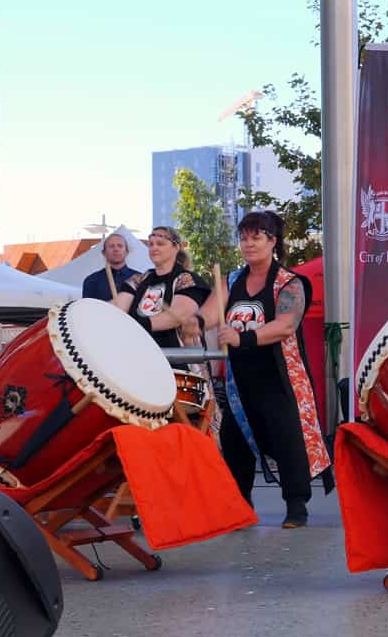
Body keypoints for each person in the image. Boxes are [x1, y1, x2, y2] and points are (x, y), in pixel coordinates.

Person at [200, 211, 332, 528]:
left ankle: (296, 506)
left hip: (280, 375)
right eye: (244, 237)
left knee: (288, 437)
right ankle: (241, 506)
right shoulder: (231, 281)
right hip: (240, 378)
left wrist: (241, 336)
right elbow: (207, 314)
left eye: (256, 237)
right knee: (235, 440)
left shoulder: (291, 284)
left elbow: (285, 326)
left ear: (273, 241)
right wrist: (192, 323)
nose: (248, 244)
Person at [114, 226, 210, 364]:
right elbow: (118, 308)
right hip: (142, 360)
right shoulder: (138, 280)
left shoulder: (186, 279)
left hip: (181, 365)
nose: (154, 248)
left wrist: (137, 325)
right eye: (151, 244)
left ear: (176, 247)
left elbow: (179, 315)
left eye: (160, 244)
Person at [81, 233, 139, 302]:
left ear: (127, 252)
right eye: (111, 246)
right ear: (104, 253)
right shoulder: (92, 281)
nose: (116, 249)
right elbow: (87, 309)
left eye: (120, 246)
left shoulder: (139, 279)